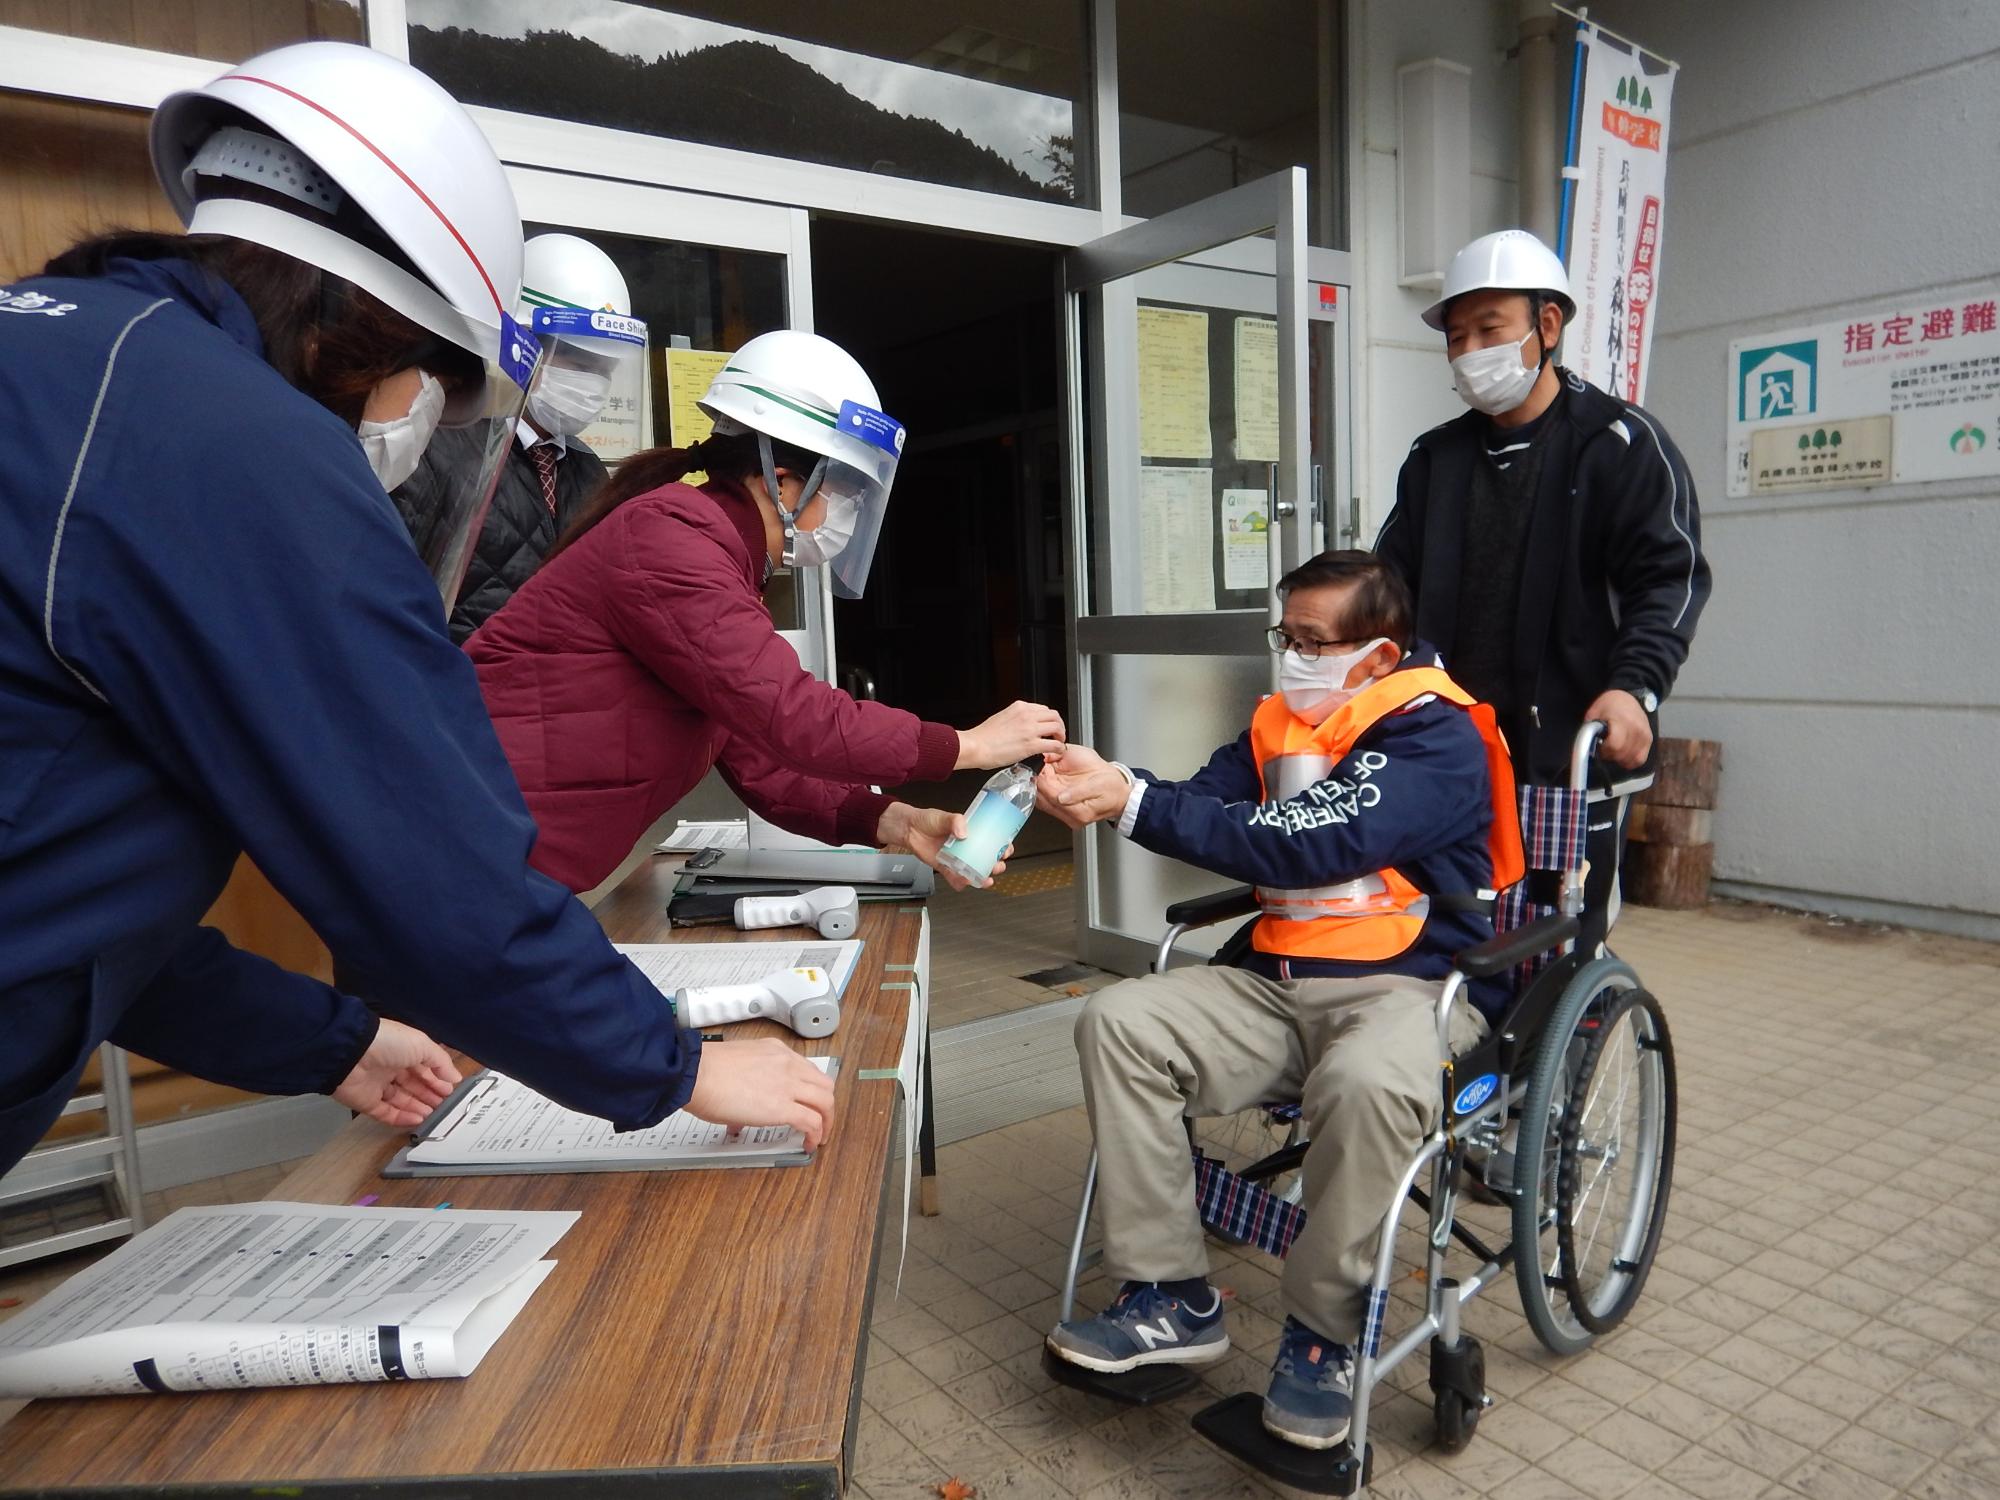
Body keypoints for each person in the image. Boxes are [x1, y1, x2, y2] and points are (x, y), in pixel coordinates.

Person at [0, 42, 831, 1177]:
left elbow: (71, 892)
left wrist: (330, 1042)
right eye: (435, 385)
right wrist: (674, 1066)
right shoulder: (230, 440)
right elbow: (428, 867)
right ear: (366, 319)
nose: (410, 423)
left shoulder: (74, 360)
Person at [1035, 551, 1521, 1452]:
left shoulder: (1433, 737)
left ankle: (1324, 1337)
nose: (1292, 659)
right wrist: (1109, 785)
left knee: (1370, 1082)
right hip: (1277, 988)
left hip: (1412, 991)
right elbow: (1201, 802)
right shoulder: (1281, 727)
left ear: (1379, 654)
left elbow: (1312, 841)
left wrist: (1134, 803)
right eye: (1284, 636)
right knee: (1120, 1021)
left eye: (1312, 642)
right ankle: (1171, 1297)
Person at [466, 329, 1066, 895]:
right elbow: (794, 717)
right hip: (469, 842)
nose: (848, 514)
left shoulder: (711, 557)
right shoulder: (671, 542)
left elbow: (767, 761)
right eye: (846, 493)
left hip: (504, 858)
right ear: (782, 483)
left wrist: (897, 822)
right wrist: (965, 745)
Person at [1374, 228, 1710, 946]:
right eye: (1455, 337)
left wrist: (1636, 688)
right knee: (1442, 928)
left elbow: (1667, 579)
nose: (1469, 352)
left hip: (1564, 751)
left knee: (1554, 935)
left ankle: (1570, 1048)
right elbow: (1387, 591)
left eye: (1489, 329)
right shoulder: (1436, 459)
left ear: (1547, 324)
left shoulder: (1618, 444)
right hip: (1451, 749)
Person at [393, 233, 633, 642]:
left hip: (551, 693)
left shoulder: (588, 471)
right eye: (578, 360)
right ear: (519, 344)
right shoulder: (437, 445)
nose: (592, 382)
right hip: (459, 683)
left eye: (604, 368)